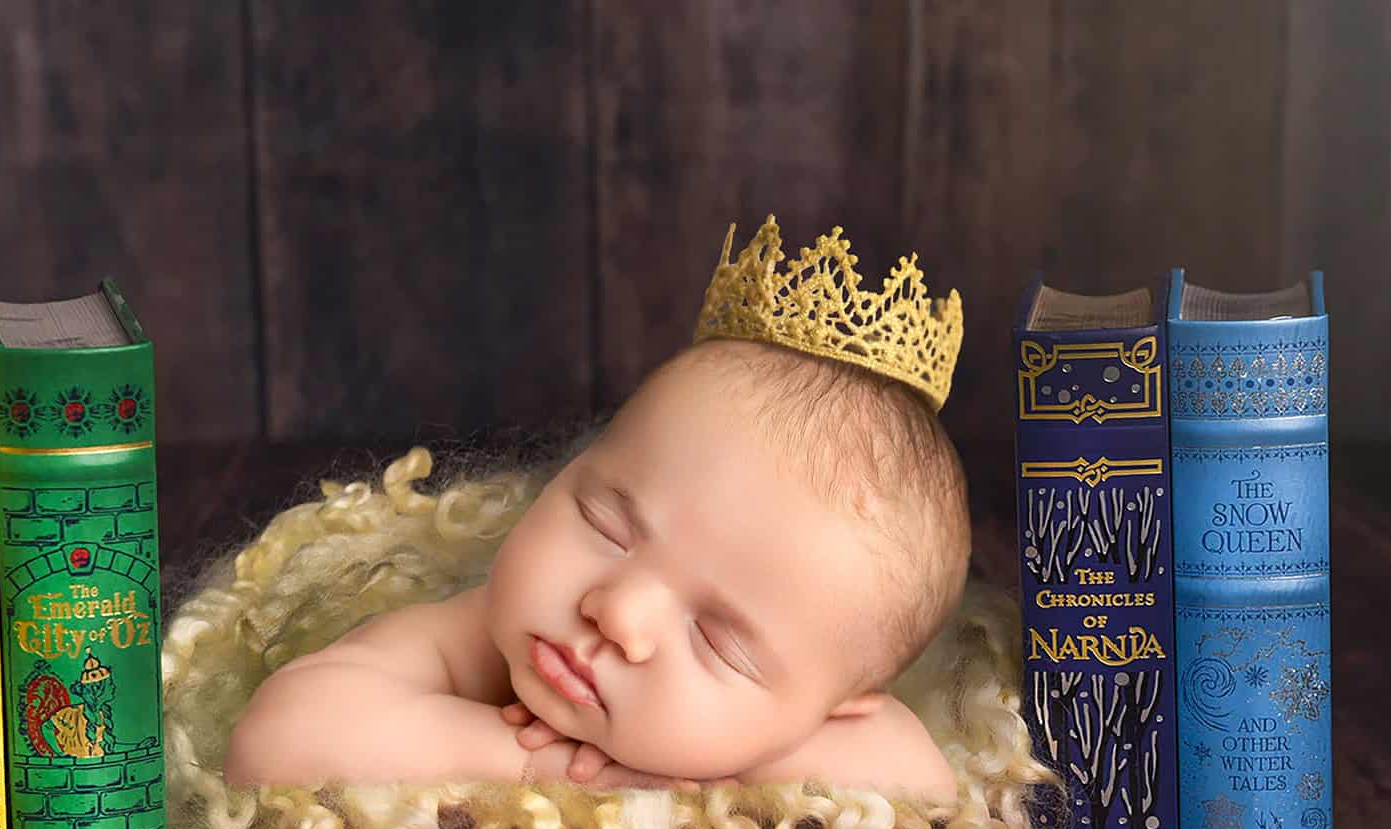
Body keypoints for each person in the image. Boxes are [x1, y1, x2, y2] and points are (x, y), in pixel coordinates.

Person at [224, 230, 971, 799]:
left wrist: (720, 761)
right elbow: (279, 735)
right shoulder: (475, 637)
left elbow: (921, 783)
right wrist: (531, 760)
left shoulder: (820, 729)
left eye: (718, 642)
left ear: (831, 707)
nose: (616, 610)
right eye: (608, 526)